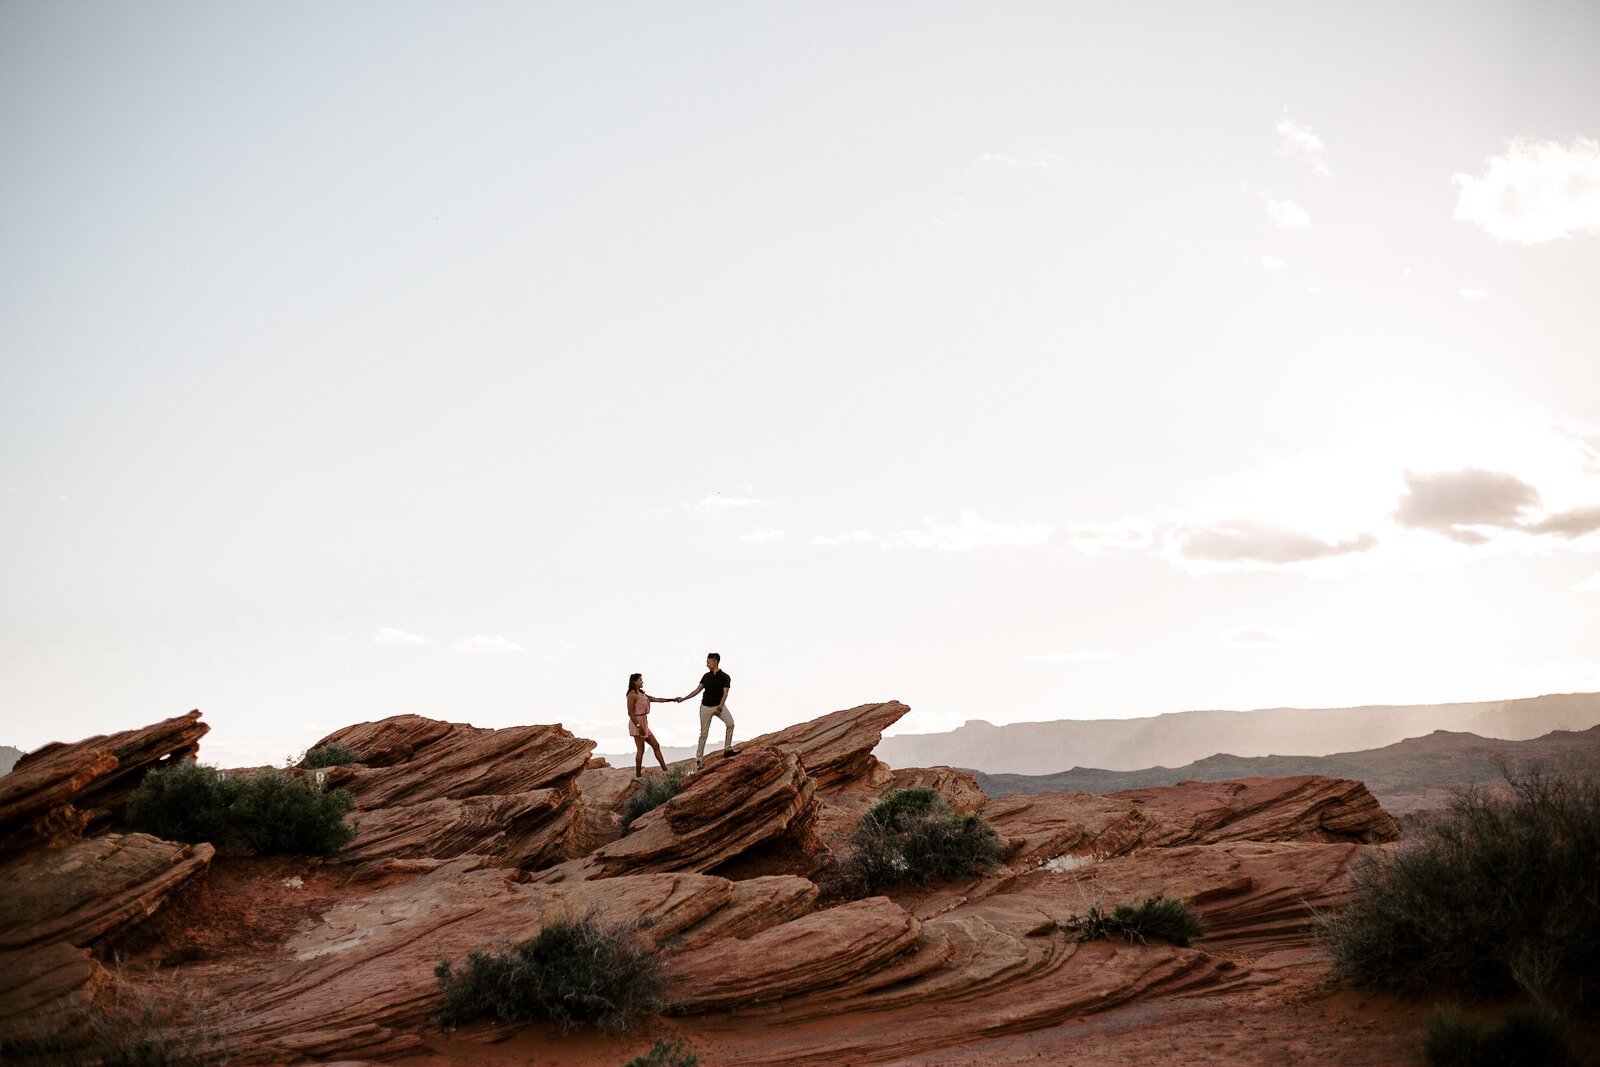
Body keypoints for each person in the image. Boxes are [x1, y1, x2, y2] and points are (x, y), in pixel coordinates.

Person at [678, 652, 738, 772]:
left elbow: (725, 693)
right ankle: (699, 760)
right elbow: (697, 690)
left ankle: (727, 749)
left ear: (715, 662)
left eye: (708, 662)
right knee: (703, 734)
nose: (707, 664)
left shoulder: (725, 677)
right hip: (705, 707)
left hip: (719, 706)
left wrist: (720, 707)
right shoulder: (706, 676)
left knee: (730, 723)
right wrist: (684, 698)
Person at [626, 672, 673, 778]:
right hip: (637, 722)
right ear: (635, 682)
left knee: (656, 745)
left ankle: (665, 770)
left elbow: (656, 699)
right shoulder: (632, 695)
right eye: (640, 680)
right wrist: (639, 726)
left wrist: (672, 700)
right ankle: (638, 776)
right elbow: (630, 713)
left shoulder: (642, 694)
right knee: (640, 750)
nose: (642, 682)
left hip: (644, 722)